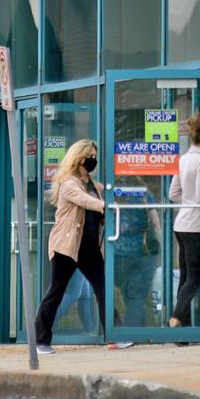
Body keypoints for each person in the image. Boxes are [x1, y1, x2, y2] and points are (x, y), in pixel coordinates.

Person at [33, 139, 132, 353]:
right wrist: (105, 206)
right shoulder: (68, 183)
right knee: (56, 291)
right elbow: (85, 201)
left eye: (95, 157)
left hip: (89, 247)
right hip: (67, 246)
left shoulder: (93, 185)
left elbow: (99, 205)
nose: (93, 161)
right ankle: (40, 340)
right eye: (90, 157)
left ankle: (115, 336)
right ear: (78, 159)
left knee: (103, 288)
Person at [169, 113, 200, 334]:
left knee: (185, 277)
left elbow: (173, 194)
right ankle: (176, 317)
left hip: (181, 224)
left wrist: (187, 202)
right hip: (197, 226)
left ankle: (181, 333)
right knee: (194, 278)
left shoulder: (184, 159)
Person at [114, 175, 161, 327]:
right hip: (142, 252)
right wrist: (160, 241)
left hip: (117, 253)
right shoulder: (145, 196)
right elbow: (155, 223)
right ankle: (132, 332)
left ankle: (139, 330)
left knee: (129, 295)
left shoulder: (113, 195)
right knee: (137, 297)